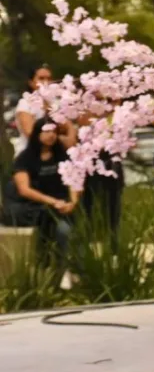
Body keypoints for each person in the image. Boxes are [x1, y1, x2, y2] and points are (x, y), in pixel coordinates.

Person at [3, 117, 80, 286]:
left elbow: (73, 181)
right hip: (37, 208)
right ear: (37, 133)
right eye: (46, 131)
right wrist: (52, 202)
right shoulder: (25, 158)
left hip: (62, 208)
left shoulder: (64, 156)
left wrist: (73, 202)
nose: (50, 135)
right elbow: (25, 189)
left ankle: (63, 274)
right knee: (51, 232)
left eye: (53, 131)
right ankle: (45, 276)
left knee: (64, 231)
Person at [14, 65, 76, 157]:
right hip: (30, 156)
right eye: (41, 78)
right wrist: (61, 139)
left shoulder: (55, 103)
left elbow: (69, 126)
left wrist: (70, 140)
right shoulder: (25, 104)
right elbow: (30, 132)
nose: (46, 82)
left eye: (49, 78)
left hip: (55, 156)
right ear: (31, 82)